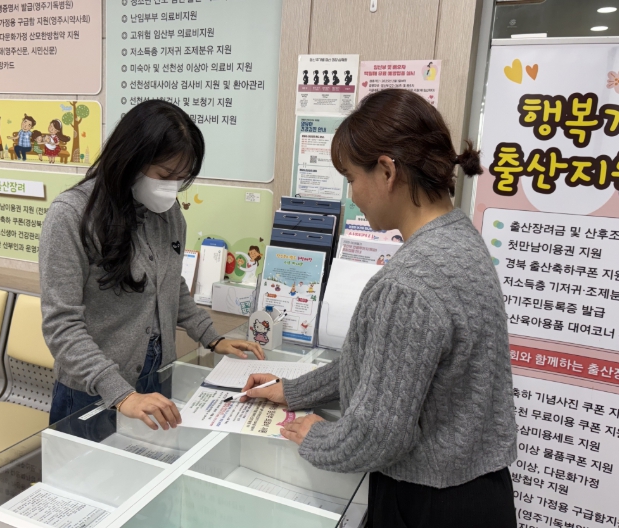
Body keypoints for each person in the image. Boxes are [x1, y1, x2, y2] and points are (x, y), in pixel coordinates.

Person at [240, 89, 517, 528]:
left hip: (427, 505)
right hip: (480, 492)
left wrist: (317, 436)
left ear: (387, 171)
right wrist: (292, 391)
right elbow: (384, 367)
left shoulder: (409, 282)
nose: (352, 195)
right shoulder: (461, 239)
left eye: (351, 178)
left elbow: (377, 434)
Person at [40, 100, 264, 430]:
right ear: (131, 160)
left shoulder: (168, 214)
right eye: (164, 175)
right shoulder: (71, 216)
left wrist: (211, 337)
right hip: (92, 389)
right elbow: (61, 325)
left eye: (181, 178)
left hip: (155, 376)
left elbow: (171, 285)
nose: (172, 188)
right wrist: (120, 394)